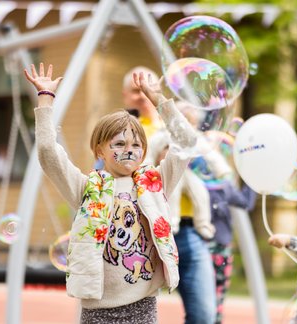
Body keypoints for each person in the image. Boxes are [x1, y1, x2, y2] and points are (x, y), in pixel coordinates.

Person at [25, 62, 197, 323]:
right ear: (99, 150)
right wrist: (46, 100)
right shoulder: (87, 189)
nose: (129, 150)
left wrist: (159, 100)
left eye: (136, 145)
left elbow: (186, 141)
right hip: (98, 311)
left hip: (143, 306)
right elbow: (49, 154)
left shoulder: (156, 184)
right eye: (118, 143)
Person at [148, 130, 217, 324]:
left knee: (204, 315)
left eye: (178, 149)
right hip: (153, 236)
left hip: (190, 234)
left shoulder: (193, 174)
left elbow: (218, 169)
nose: (175, 153)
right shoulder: (147, 177)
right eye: (169, 148)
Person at [188, 154, 257, 324]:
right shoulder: (192, 187)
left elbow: (246, 202)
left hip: (222, 249)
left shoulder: (225, 188)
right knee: (200, 301)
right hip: (200, 247)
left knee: (218, 297)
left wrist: (251, 176)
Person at [121, 66, 163, 138]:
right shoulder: (118, 127)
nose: (143, 96)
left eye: (148, 91)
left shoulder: (171, 122)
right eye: (136, 91)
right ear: (125, 95)